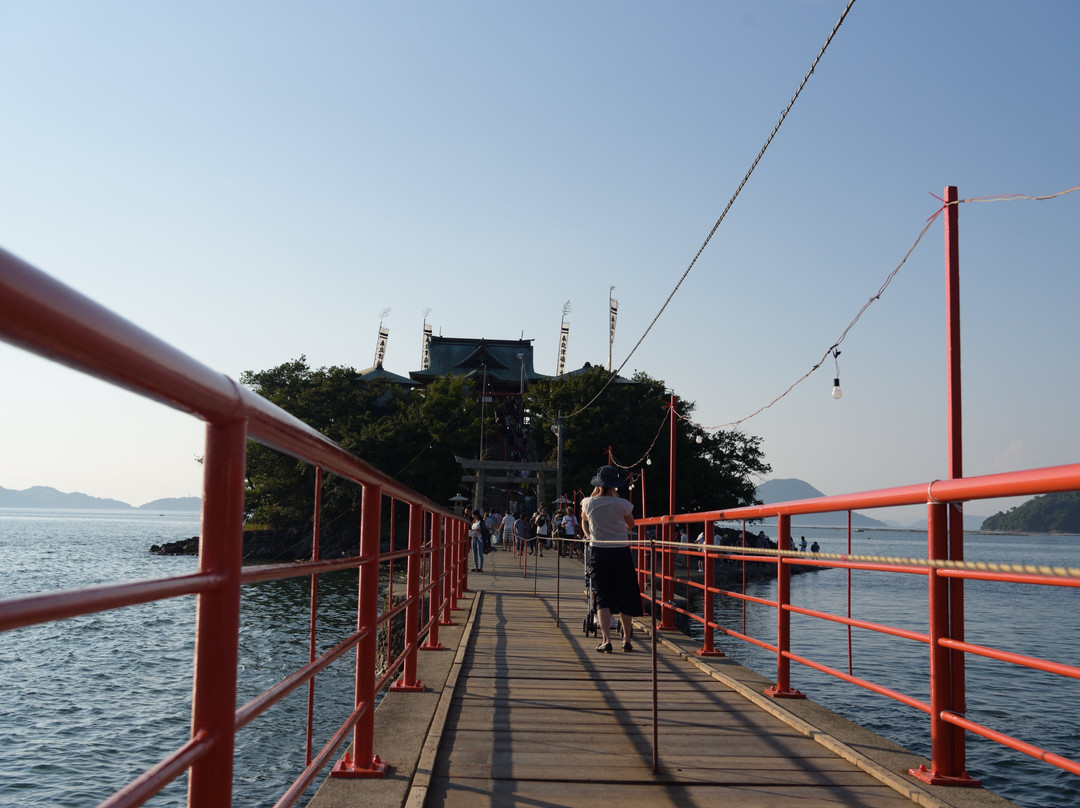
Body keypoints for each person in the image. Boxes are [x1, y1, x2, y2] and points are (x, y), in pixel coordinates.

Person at [580, 465, 643, 653]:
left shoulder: (588, 502)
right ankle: (626, 638)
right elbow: (631, 525)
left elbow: (584, 518)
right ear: (615, 485)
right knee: (626, 593)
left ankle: (606, 640)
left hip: (599, 551)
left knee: (603, 595)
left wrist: (594, 493)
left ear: (598, 484)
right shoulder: (622, 503)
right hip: (621, 551)